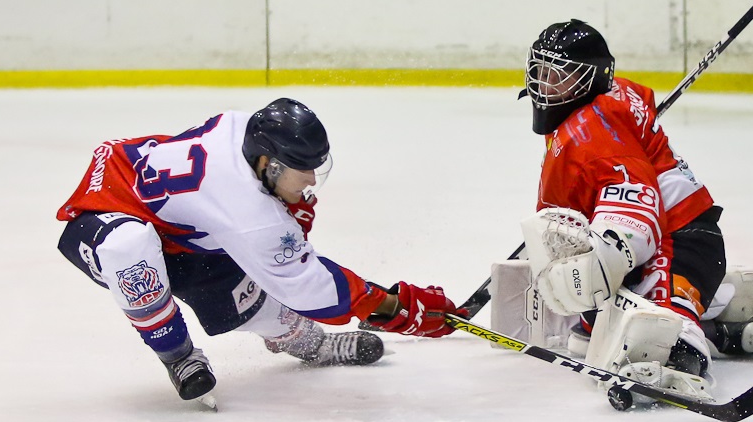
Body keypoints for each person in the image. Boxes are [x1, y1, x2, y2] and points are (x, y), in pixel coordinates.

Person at [56, 97, 463, 404]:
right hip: (106, 206)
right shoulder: (248, 213)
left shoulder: (243, 131)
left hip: (183, 228)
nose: (310, 182)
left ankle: (310, 344)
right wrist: (392, 307)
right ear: (268, 163)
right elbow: (309, 287)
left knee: (256, 306)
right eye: (302, 170)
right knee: (128, 250)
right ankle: (177, 355)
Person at [516, 19, 753, 400]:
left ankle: (679, 358)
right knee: (597, 319)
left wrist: (606, 253)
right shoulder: (601, 103)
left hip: (677, 239)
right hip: (675, 237)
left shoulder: (593, 134)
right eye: (541, 73)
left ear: (589, 80)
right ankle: (724, 302)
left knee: (656, 331)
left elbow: (638, 204)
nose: (545, 86)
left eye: (559, 76)